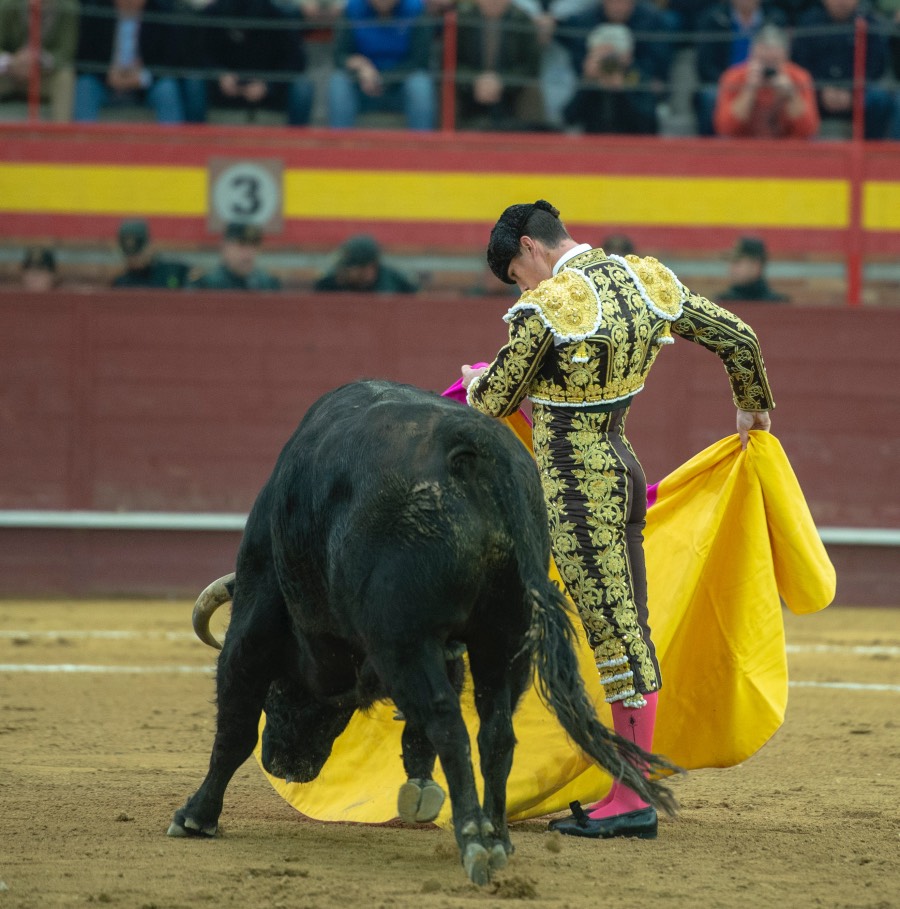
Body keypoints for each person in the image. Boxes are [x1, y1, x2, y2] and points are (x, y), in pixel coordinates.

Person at [461, 199, 774, 840]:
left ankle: (631, 798)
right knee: (627, 628)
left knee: (617, 637)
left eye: (519, 275)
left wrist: (473, 380)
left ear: (529, 248)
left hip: (578, 488)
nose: (526, 287)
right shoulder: (645, 279)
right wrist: (753, 409)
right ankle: (628, 789)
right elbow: (741, 338)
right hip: (623, 470)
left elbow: (493, 400)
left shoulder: (550, 307)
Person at [792, 0, 896, 140]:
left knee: (881, 99)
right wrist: (821, 90)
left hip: (858, 92)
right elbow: (799, 64)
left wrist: (852, 92)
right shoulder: (808, 23)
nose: (841, 2)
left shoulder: (870, 23)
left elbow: (877, 66)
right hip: (816, 92)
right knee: (790, 93)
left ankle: (871, 154)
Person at [200, 0, 315, 126]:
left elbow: (296, 60)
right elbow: (199, 54)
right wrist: (219, 75)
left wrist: (268, 86)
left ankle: (296, 141)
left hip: (271, 94)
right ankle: (193, 136)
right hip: (221, 91)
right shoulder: (213, 12)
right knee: (193, 78)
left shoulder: (278, 14)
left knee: (303, 86)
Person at [73, 0, 189, 123]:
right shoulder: (98, 14)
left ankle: (172, 140)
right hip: (106, 83)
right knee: (85, 85)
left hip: (145, 86)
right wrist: (107, 76)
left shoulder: (159, 14)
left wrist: (143, 78)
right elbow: (85, 57)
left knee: (167, 89)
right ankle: (83, 139)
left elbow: (169, 60)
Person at [327, 0, 437, 130]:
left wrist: (381, 78)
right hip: (362, 87)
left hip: (399, 88)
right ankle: (341, 145)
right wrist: (359, 65)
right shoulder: (352, 9)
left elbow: (419, 61)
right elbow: (339, 55)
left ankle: (421, 146)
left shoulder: (416, 9)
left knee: (420, 83)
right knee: (338, 81)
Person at [694, 0, 788, 136]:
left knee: (792, 89)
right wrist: (735, 83)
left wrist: (789, 94)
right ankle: (711, 152)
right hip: (729, 81)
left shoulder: (775, 18)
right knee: (710, 95)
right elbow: (704, 64)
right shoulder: (714, 18)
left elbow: (808, 130)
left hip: (773, 79)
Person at [713, 25, 819, 138]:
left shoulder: (799, 77)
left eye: (774, 61)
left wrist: (792, 96)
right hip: (744, 149)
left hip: (787, 150)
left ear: (785, 57)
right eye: (763, 61)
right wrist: (749, 91)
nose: (768, 69)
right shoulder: (733, 77)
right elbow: (724, 129)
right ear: (751, 55)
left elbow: (809, 131)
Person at [454, 0, 542, 131]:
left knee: (532, 91)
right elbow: (452, 63)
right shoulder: (462, 20)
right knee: (447, 86)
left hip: (512, 92)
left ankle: (533, 146)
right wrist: (475, 80)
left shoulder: (522, 20)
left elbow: (530, 67)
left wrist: (502, 82)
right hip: (469, 91)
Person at [562, 22, 658, 134]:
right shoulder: (591, 79)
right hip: (593, 143)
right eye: (601, 57)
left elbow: (649, 124)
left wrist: (622, 89)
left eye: (612, 56)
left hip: (630, 143)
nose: (608, 63)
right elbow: (568, 118)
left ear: (627, 56)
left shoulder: (636, 76)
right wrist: (587, 82)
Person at [0, 0, 79, 121]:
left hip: (41, 75)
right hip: (7, 73)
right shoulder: (7, 4)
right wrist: (12, 61)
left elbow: (65, 52)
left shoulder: (68, 7)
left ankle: (61, 134)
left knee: (65, 76)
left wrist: (39, 59)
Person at [189, 222, 281, 290]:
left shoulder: (268, 285)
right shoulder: (206, 285)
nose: (248, 253)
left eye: (253, 245)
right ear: (225, 248)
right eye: (241, 245)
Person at [313, 234, 418, 292]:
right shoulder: (331, 283)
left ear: (369, 268)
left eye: (350, 267)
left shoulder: (397, 283)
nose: (344, 272)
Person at [112, 219, 192, 289]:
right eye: (128, 252)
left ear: (150, 246)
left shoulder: (173, 272)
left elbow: (197, 277)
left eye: (139, 249)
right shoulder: (122, 282)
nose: (134, 257)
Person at [718, 236, 789, 302]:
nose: (731, 268)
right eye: (730, 262)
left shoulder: (777, 304)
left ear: (755, 265)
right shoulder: (723, 302)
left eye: (737, 261)